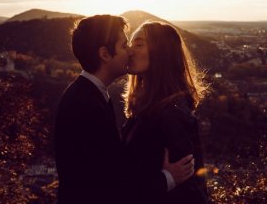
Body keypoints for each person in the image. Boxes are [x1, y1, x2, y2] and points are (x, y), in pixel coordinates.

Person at [54, 15, 195, 204]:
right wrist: (167, 179)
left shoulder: (91, 96)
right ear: (105, 55)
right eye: (124, 45)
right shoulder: (85, 106)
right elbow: (104, 188)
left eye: (136, 44)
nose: (129, 51)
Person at [123, 21, 210, 204]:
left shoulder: (170, 114)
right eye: (130, 45)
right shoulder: (149, 107)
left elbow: (190, 189)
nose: (130, 51)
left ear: (161, 53)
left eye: (138, 44)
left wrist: (167, 180)